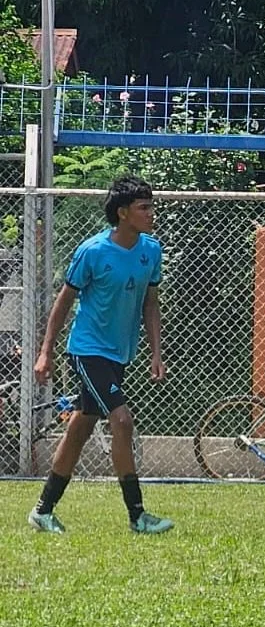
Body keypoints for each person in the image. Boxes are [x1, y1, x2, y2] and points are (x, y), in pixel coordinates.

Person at [28, 175, 174, 534]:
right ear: (123, 213)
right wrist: (45, 353)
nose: (151, 212)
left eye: (151, 205)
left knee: (79, 428)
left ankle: (43, 510)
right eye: (144, 207)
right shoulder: (92, 251)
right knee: (121, 420)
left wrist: (157, 351)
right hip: (86, 350)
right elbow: (63, 304)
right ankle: (138, 515)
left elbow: (150, 305)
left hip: (118, 355)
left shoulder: (150, 251)